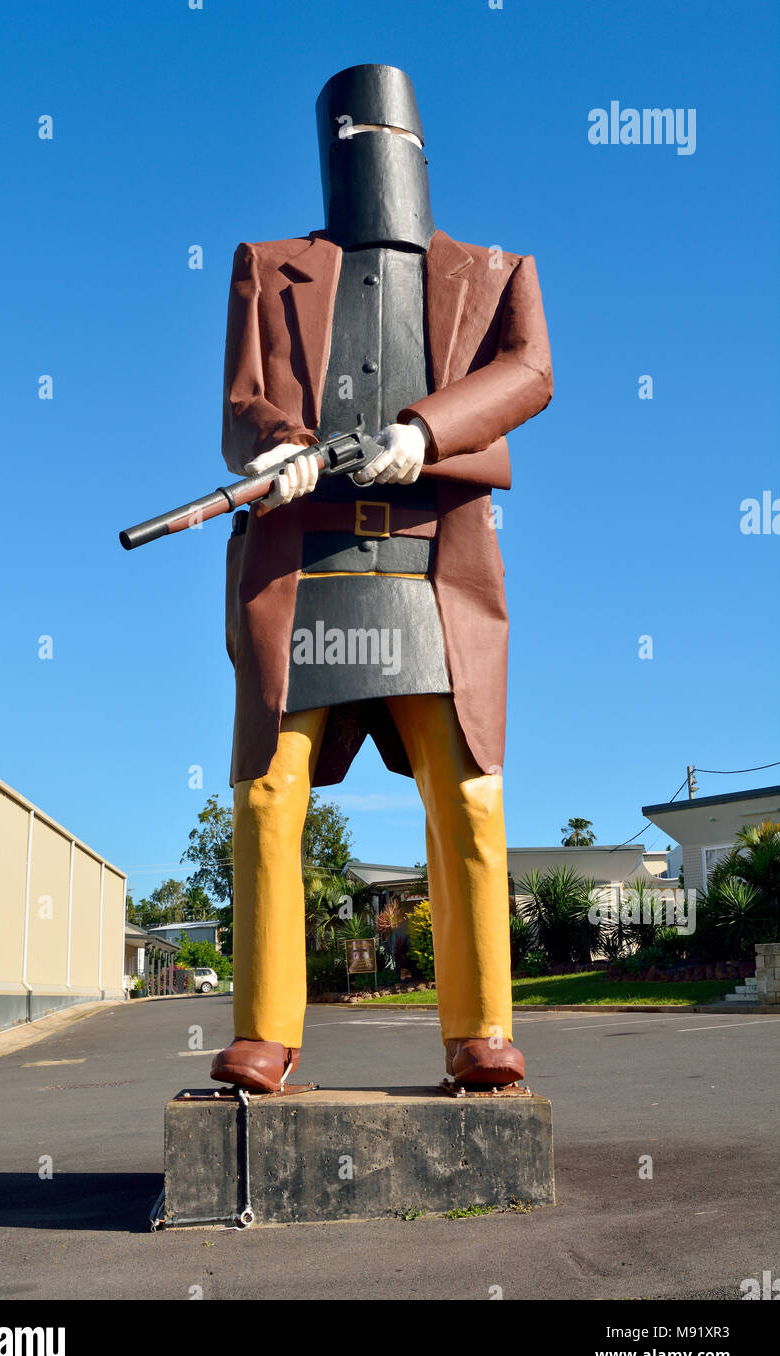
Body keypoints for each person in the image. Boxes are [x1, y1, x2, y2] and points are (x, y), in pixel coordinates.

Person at [211, 64, 553, 1094]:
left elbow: (530, 371)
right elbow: (242, 407)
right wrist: (276, 445)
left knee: (465, 793)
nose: (379, 159)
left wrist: (424, 430)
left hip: (430, 582)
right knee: (270, 795)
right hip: (307, 574)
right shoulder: (266, 266)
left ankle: (479, 1030)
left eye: (390, 142)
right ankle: (265, 1033)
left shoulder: (493, 272)